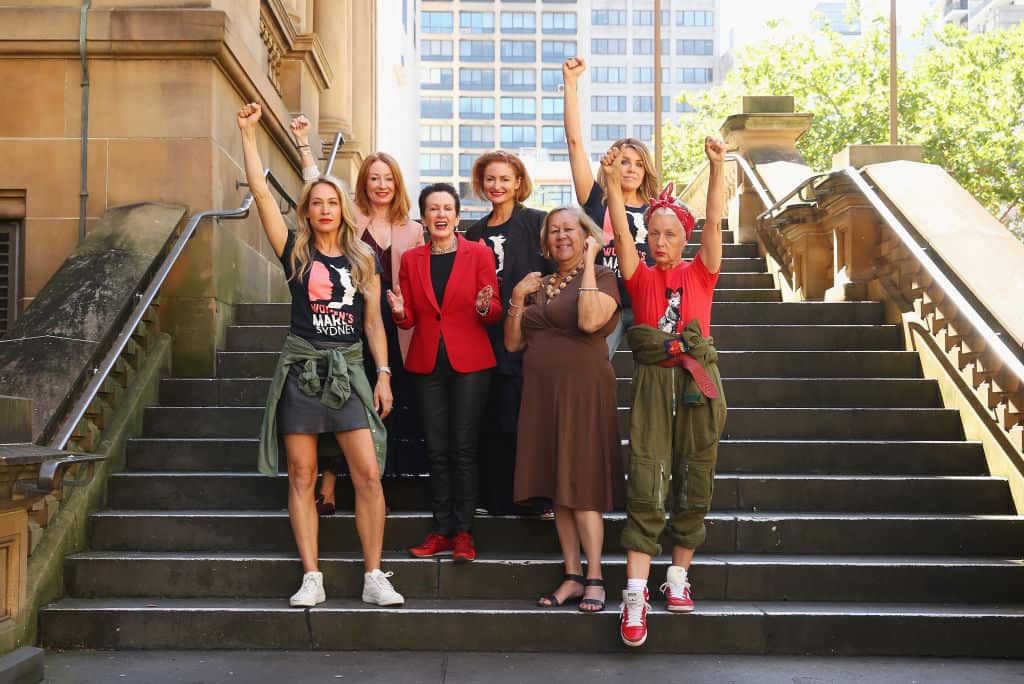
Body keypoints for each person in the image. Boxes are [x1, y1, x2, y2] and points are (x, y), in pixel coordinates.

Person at [243, 103, 404, 608]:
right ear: (308, 211)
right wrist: (247, 135)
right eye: (317, 202)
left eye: (333, 202)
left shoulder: (363, 258)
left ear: (342, 209)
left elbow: (373, 323)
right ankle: (311, 576)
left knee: (368, 474)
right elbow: (261, 193)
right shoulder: (294, 249)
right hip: (302, 371)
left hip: (349, 370)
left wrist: (383, 374)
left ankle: (374, 575)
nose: (326, 209)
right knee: (301, 474)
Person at [604, 139, 728, 647]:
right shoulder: (639, 278)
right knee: (647, 477)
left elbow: (715, 221)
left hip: (697, 383)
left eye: (670, 233)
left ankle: (677, 577)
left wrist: (717, 167)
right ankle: (635, 596)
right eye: (653, 233)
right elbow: (618, 224)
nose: (659, 240)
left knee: (695, 476)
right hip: (655, 383)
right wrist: (611, 183)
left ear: (684, 237)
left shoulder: (701, 272)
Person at [292, 117, 428, 514]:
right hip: (349, 320)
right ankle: (329, 483)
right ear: (364, 184)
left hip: (394, 325)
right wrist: (303, 146)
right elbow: (317, 189)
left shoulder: (412, 229)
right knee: (342, 397)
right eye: (374, 178)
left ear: (397, 184)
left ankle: (381, 478)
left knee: (385, 400)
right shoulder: (349, 215)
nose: (381, 185)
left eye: (388, 179)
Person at [505, 206, 622, 612]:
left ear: (586, 235)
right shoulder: (539, 284)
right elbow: (513, 343)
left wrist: (590, 261)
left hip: (583, 392)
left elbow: (589, 321)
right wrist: (517, 297)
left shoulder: (603, 277)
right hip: (543, 394)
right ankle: (572, 575)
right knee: (559, 487)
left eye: (569, 229)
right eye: (553, 231)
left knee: (583, 487)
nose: (560, 236)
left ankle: (595, 577)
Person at [388, 183, 502, 563]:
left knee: (464, 448)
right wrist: (400, 311)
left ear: (457, 216)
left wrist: (484, 306)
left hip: (471, 362)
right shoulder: (411, 260)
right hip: (426, 362)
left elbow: (494, 311)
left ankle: (464, 532)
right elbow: (407, 320)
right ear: (423, 217)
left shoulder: (479, 254)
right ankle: (440, 530)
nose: (440, 215)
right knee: (436, 449)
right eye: (433, 209)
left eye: (447, 208)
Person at [464, 151, 549, 517]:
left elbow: (556, 270)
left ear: (518, 183)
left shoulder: (537, 223)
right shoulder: (474, 233)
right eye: (490, 179)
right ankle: (496, 497)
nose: (496, 185)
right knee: (493, 415)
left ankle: (536, 496)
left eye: (504, 179)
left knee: (528, 415)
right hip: (485, 333)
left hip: (529, 331)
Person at [562, 56, 661, 359]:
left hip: (647, 298)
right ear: (611, 164)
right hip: (606, 298)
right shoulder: (595, 198)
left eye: (639, 164)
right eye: (624, 161)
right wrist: (570, 84)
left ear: (646, 171)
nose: (631, 169)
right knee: (592, 365)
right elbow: (575, 143)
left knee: (658, 370)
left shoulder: (657, 210)